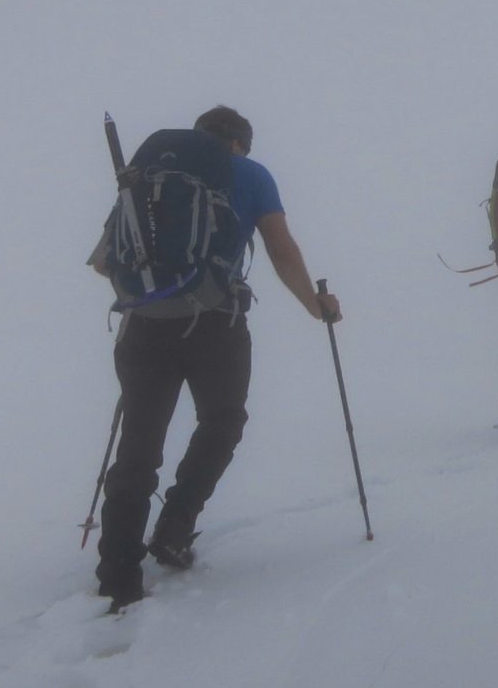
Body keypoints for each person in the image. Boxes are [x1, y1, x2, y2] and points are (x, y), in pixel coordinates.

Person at [91, 106, 343, 612]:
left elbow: (103, 261)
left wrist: (158, 285)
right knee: (222, 421)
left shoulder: (146, 177)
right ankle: (174, 529)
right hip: (217, 325)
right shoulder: (249, 174)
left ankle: (118, 573)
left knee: (139, 445)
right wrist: (315, 306)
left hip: (143, 326)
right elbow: (280, 249)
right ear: (239, 144)